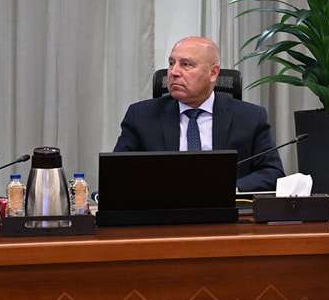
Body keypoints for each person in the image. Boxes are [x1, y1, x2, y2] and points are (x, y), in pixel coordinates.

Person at [114, 36, 285, 191]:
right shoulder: (141, 116)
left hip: (225, 211)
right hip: (163, 211)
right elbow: (116, 173)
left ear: (213, 73)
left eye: (186, 64)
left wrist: (227, 189)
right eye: (171, 63)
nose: (174, 72)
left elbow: (272, 173)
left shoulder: (250, 117)